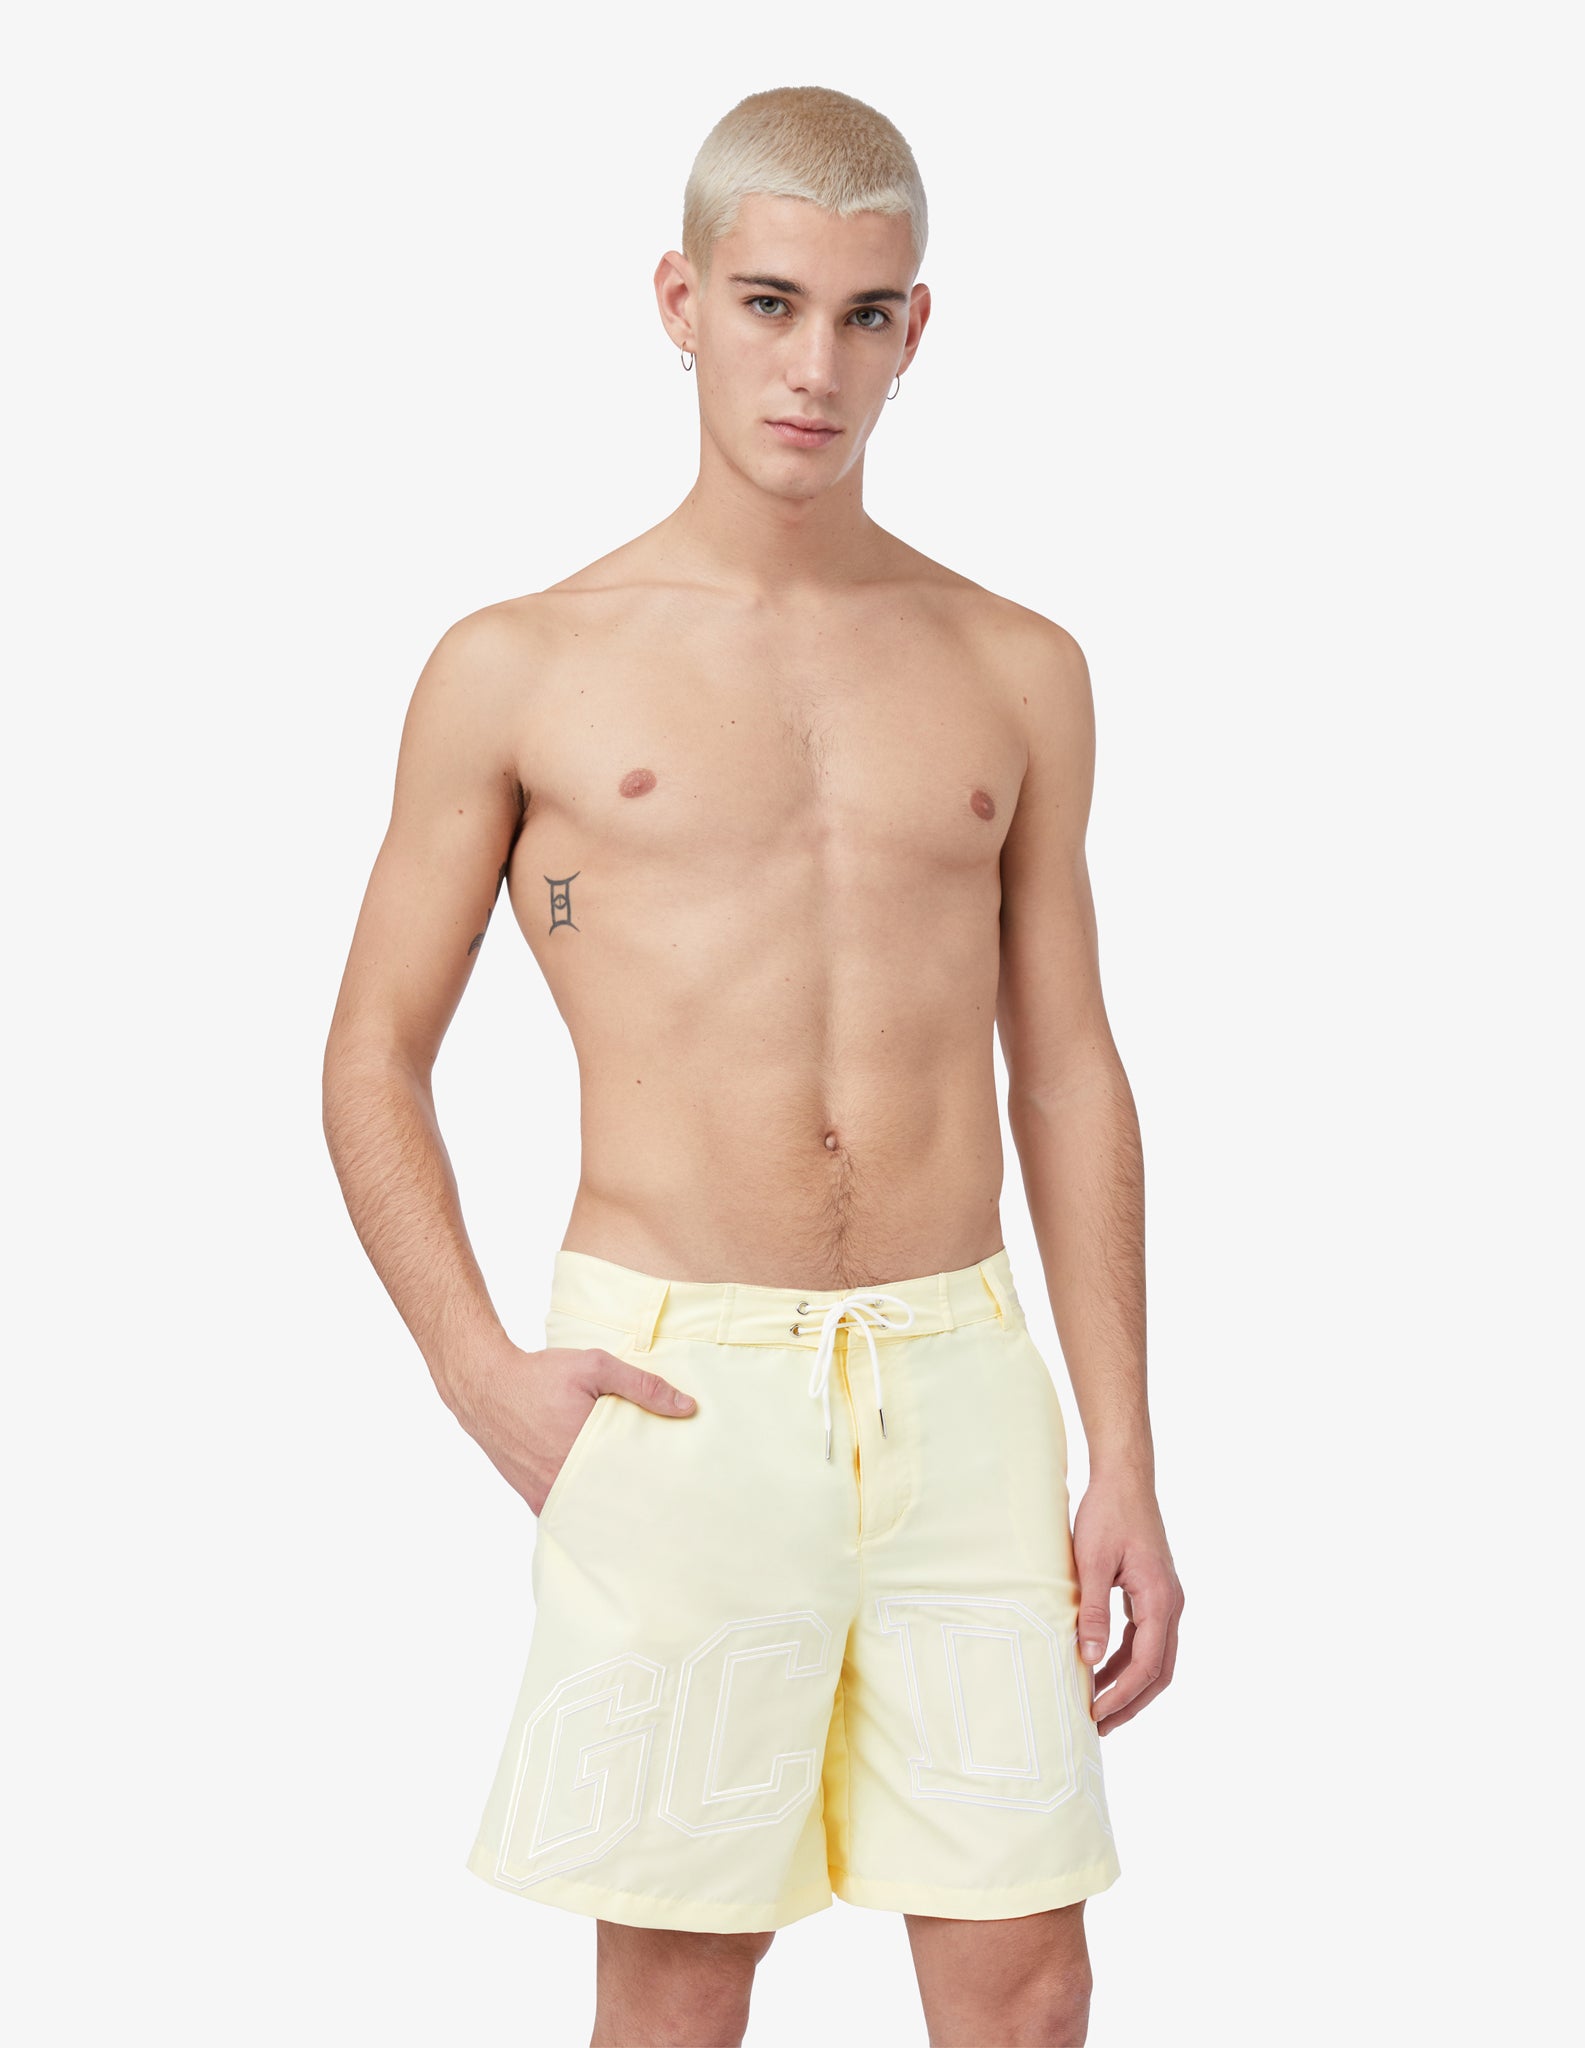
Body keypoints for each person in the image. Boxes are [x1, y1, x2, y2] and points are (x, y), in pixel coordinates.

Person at [322, 82, 1182, 2048]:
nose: (815, 367)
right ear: (679, 299)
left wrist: (1123, 1446)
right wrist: (472, 1367)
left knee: (1030, 1987)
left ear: (916, 326)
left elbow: (1067, 1065)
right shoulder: (519, 664)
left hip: (962, 1379)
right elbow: (373, 1048)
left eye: (864, 314)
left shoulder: (1016, 665)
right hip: (679, 1385)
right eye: (770, 303)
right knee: (682, 1990)